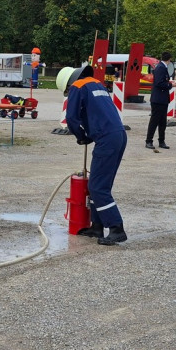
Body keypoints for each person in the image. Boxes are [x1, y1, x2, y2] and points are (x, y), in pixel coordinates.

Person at [62, 65, 128, 245]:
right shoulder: (98, 84)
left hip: (106, 139)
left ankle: (116, 228)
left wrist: (81, 136)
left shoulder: (77, 87)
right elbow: (98, 114)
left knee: (98, 187)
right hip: (118, 135)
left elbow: (72, 119)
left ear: (68, 84)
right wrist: (90, 135)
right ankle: (97, 226)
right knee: (99, 184)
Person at [145, 51, 175, 151]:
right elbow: (159, 83)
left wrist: (168, 83)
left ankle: (161, 141)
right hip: (158, 99)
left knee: (162, 121)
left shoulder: (161, 67)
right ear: (169, 59)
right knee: (154, 121)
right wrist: (170, 85)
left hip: (162, 99)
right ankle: (149, 141)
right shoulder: (161, 68)